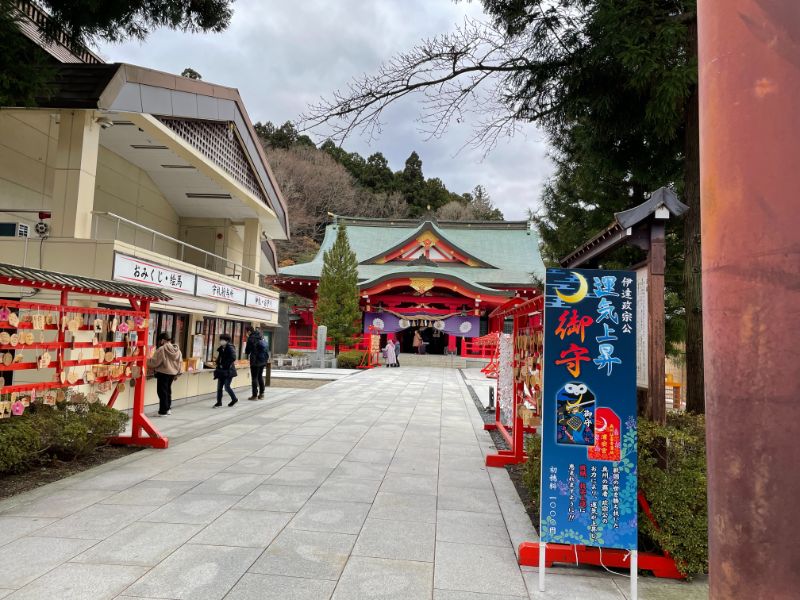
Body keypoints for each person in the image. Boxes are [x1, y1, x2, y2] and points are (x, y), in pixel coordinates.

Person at [147, 332, 183, 416]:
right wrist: (177, 372)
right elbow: (180, 362)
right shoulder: (177, 350)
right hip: (173, 373)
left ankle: (163, 411)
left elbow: (155, 362)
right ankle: (168, 409)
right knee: (168, 391)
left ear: (163, 340)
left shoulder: (161, 349)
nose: (160, 342)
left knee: (162, 392)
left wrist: (146, 361)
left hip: (163, 373)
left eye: (160, 340)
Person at [213, 333, 238, 408]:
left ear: (227, 341)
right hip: (221, 370)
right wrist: (217, 362)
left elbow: (233, 357)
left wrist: (224, 364)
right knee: (219, 387)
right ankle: (219, 402)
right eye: (220, 340)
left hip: (228, 371)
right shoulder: (221, 348)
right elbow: (220, 358)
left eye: (223, 340)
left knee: (227, 386)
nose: (221, 341)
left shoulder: (230, 348)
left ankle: (234, 399)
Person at [244, 325, 269, 400]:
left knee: (254, 378)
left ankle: (254, 395)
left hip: (255, 361)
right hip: (263, 359)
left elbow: (247, 351)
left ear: (249, 331)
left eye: (246, 332)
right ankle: (261, 394)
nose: (246, 334)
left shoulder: (251, 338)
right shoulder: (261, 336)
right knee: (260, 376)